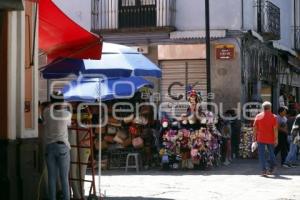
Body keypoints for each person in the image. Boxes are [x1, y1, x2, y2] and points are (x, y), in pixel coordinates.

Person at [43, 92, 72, 200]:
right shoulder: (66, 114)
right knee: (64, 177)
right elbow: (69, 124)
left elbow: (45, 120)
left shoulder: (46, 112)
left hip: (49, 147)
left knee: (52, 177)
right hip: (62, 147)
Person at [253, 101, 278, 176]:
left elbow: (254, 128)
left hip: (260, 138)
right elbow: (275, 129)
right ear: (270, 108)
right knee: (271, 153)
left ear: (263, 108)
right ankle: (273, 166)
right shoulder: (274, 117)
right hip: (271, 138)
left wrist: (254, 138)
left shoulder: (258, 116)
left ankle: (264, 170)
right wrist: (276, 138)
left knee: (262, 155)